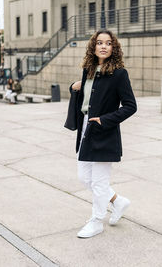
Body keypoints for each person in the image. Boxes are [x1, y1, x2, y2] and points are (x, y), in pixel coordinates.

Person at [70, 29, 137, 238]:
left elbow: (130, 106)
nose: (103, 46)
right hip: (85, 129)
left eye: (108, 43)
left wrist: (105, 120)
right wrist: (75, 87)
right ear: (93, 46)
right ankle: (118, 201)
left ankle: (97, 221)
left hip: (103, 131)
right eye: (99, 42)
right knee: (84, 178)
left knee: (99, 181)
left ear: (113, 47)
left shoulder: (119, 73)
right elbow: (88, 95)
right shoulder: (88, 70)